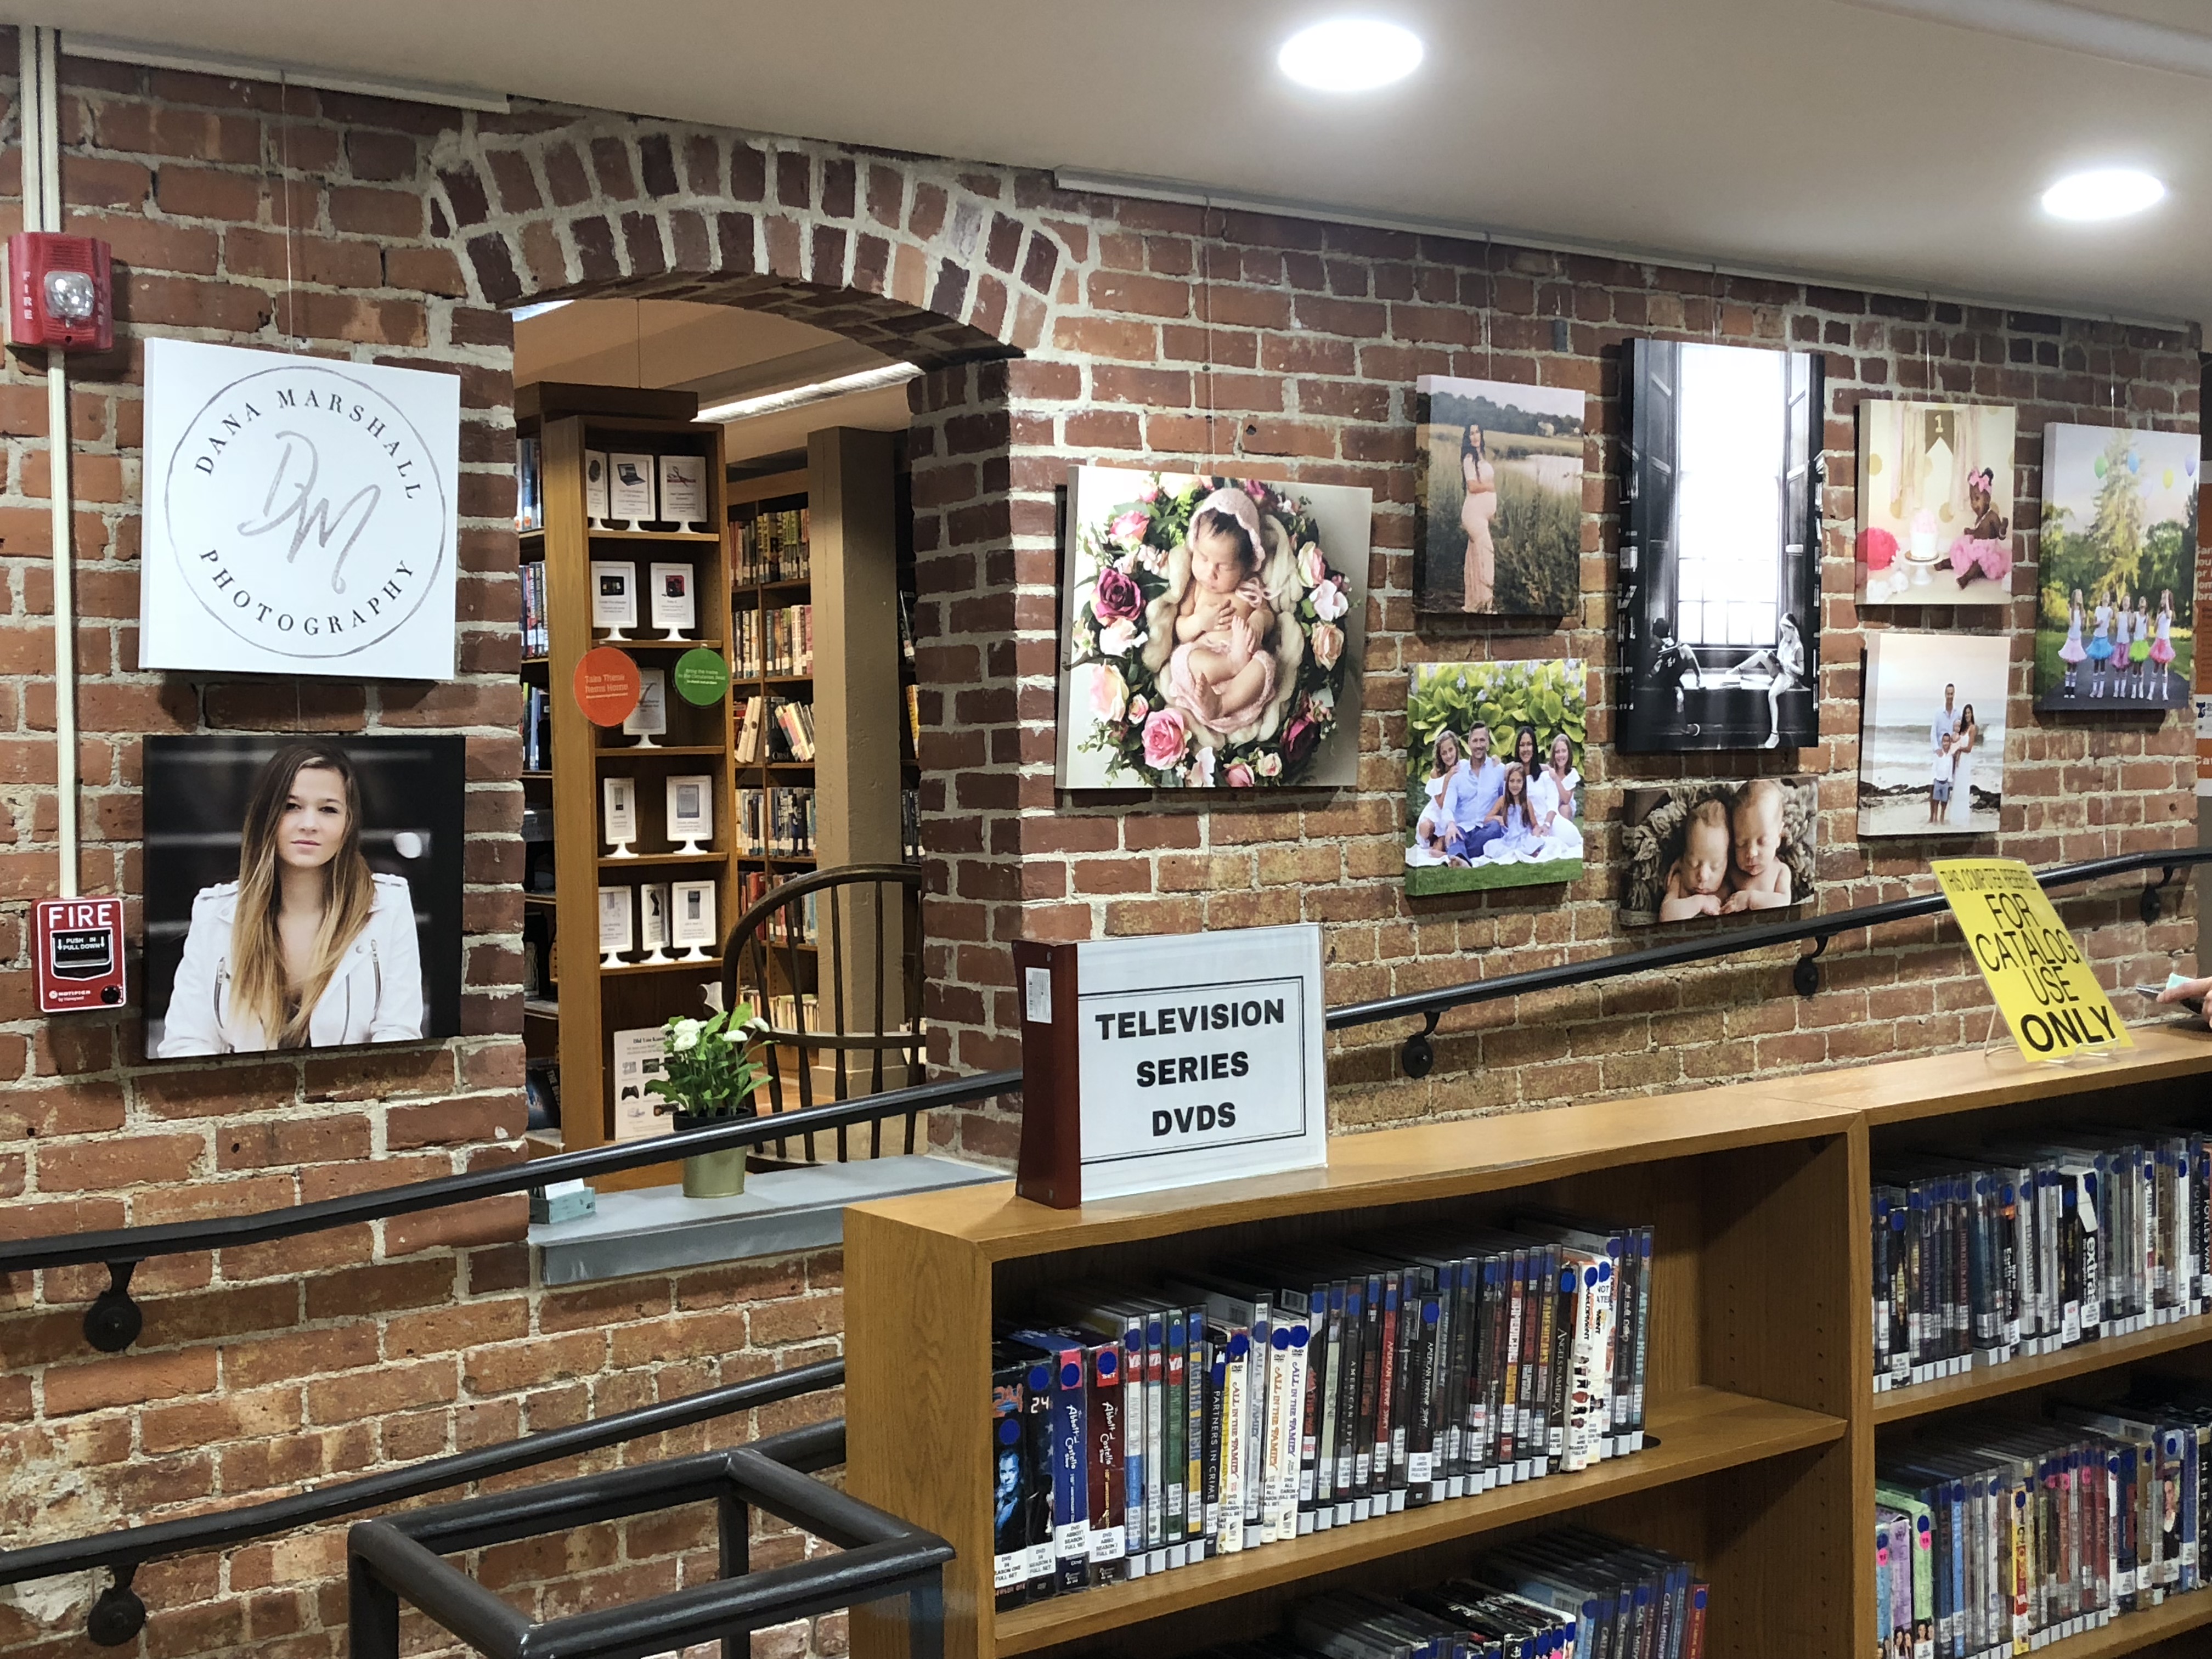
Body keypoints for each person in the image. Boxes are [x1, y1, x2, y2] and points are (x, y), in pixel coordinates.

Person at [159, 742, 423, 1056]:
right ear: (266, 817)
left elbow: (398, 1035)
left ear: (348, 824)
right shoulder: (215, 913)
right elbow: (187, 1042)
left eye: (328, 809)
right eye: (291, 806)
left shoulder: (387, 906)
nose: (309, 824)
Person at [1164, 488, 1277, 736]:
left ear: (1246, 568)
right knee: (1181, 658)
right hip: (1206, 666)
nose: (1210, 572)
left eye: (1223, 567)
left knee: (1265, 664)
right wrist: (1199, 622)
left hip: (1238, 682)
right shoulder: (1196, 590)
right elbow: (1181, 630)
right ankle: (1229, 666)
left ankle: (1223, 704)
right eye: (1203, 558)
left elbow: (1268, 615)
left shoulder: (1249, 590)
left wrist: (1258, 622)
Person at [1722, 779, 1795, 912]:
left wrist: (1750, 899)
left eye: (1763, 842)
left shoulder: (1780, 871)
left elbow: (1784, 901)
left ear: (1779, 837)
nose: (1751, 853)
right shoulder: (1732, 871)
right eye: (1741, 844)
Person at [1441, 723, 1507, 862]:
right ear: (1469, 743)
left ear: (1488, 743)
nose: (1479, 745)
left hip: (1487, 829)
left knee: (1495, 828)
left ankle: (1458, 854)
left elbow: (1519, 775)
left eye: (1482, 740)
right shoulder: (1458, 772)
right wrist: (1451, 825)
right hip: (1463, 830)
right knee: (1453, 835)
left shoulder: (1499, 770)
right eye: (1475, 741)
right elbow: (1447, 807)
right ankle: (1460, 855)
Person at [1659, 798, 1731, 921]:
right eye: (1693, 863)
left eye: (1715, 866)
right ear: (1683, 858)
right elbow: (1666, 917)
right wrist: (1700, 903)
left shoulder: (1727, 885)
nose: (1703, 876)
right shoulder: (1679, 881)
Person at [1410, 729, 1467, 863]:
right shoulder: (1435, 773)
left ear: (1456, 749)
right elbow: (1441, 804)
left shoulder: (1463, 766)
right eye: (1444, 753)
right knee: (1425, 828)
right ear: (1440, 755)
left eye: (1451, 750)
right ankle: (1434, 841)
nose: (1448, 755)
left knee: (1450, 828)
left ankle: (1440, 845)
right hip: (1437, 811)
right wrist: (1448, 777)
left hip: (1453, 811)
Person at [1527, 730, 1584, 860]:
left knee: (1563, 808)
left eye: (1564, 751)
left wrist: (1556, 778)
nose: (1561, 755)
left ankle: (1562, 839)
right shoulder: (1549, 770)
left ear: (1569, 753)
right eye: (1557, 752)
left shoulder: (1572, 774)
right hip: (1551, 809)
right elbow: (1534, 766)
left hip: (1564, 809)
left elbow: (1566, 799)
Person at [1459, 424, 1498, 612]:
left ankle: (1476, 604)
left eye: (1477, 432)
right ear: (1467, 438)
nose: (1475, 436)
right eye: (1471, 434)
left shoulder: (1481, 456)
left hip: (1481, 515)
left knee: (1476, 557)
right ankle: (1486, 605)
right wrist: (1490, 488)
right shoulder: (1469, 459)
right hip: (1473, 515)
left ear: (1482, 434)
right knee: (1487, 553)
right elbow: (1473, 487)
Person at [1479, 761, 1543, 861]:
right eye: (1512, 781)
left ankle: (1528, 851)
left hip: (1523, 838)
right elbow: (1487, 819)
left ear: (1524, 783)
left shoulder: (1526, 802)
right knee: (1492, 847)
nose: (1515, 785)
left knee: (1533, 843)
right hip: (1508, 839)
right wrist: (1497, 818)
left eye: (1519, 781)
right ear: (1507, 782)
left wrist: (1536, 832)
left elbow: (1534, 824)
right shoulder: (1503, 801)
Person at [1946, 703, 1979, 828]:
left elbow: (1970, 748)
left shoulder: (1972, 728)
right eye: (1965, 713)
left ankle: (1963, 816)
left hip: (1965, 760)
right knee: (1957, 785)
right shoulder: (1963, 730)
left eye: (1969, 713)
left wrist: (1959, 749)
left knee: (1963, 786)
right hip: (1959, 761)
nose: (1967, 715)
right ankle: (1956, 816)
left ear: (1972, 714)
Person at [1929, 682, 1957, 826]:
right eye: (1948, 693)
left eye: (1952, 694)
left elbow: (1960, 733)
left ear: (1954, 695)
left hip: (1951, 756)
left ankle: (1942, 816)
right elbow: (1933, 733)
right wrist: (1937, 749)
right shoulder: (1938, 714)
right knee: (1934, 786)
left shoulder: (1957, 714)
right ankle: (1932, 816)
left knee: (1947, 785)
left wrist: (1956, 750)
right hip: (1940, 754)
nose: (1950, 696)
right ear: (1945, 695)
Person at [2058, 589, 2087, 698]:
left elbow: (2083, 628)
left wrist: (2084, 619)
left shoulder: (2082, 612)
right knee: (2069, 664)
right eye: (2078, 596)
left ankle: (2072, 688)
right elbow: (2071, 624)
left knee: (2075, 664)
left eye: (2081, 596)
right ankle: (2067, 688)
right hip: (2071, 640)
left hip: (2077, 641)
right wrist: (2068, 613)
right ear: (2074, 597)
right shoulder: (2071, 611)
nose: (2079, 598)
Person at [2087, 589, 2115, 699]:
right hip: (2096, 638)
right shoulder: (2098, 609)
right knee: (2096, 664)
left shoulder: (2109, 610)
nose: (2106, 597)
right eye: (2104, 595)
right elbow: (2094, 623)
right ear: (2102, 598)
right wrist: (2096, 624)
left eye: (2108, 596)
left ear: (2109, 600)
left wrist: (2113, 608)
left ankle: (2101, 689)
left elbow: (2113, 617)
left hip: (2104, 639)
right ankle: (2094, 689)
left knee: (2102, 664)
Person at [2152, 590, 2177, 698]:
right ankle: (2151, 692)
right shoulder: (2160, 613)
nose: (2162, 600)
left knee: (2164, 668)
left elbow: (2167, 613)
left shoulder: (2169, 613)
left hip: (2165, 644)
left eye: (2164, 598)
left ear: (2168, 600)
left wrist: (2167, 597)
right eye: (2162, 598)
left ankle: (2164, 693)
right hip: (2158, 642)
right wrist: (2157, 620)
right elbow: (2155, 630)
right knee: (2156, 667)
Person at [2129, 595, 2153, 698]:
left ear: (2146, 605)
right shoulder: (2135, 615)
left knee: (2141, 666)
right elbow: (2133, 629)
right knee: (2135, 666)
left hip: (2142, 643)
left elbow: (2148, 632)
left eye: (2144, 601)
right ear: (2139, 605)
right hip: (2136, 643)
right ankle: (2134, 689)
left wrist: (2147, 635)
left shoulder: (2147, 618)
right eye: (2141, 601)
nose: (2142, 602)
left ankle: (2141, 688)